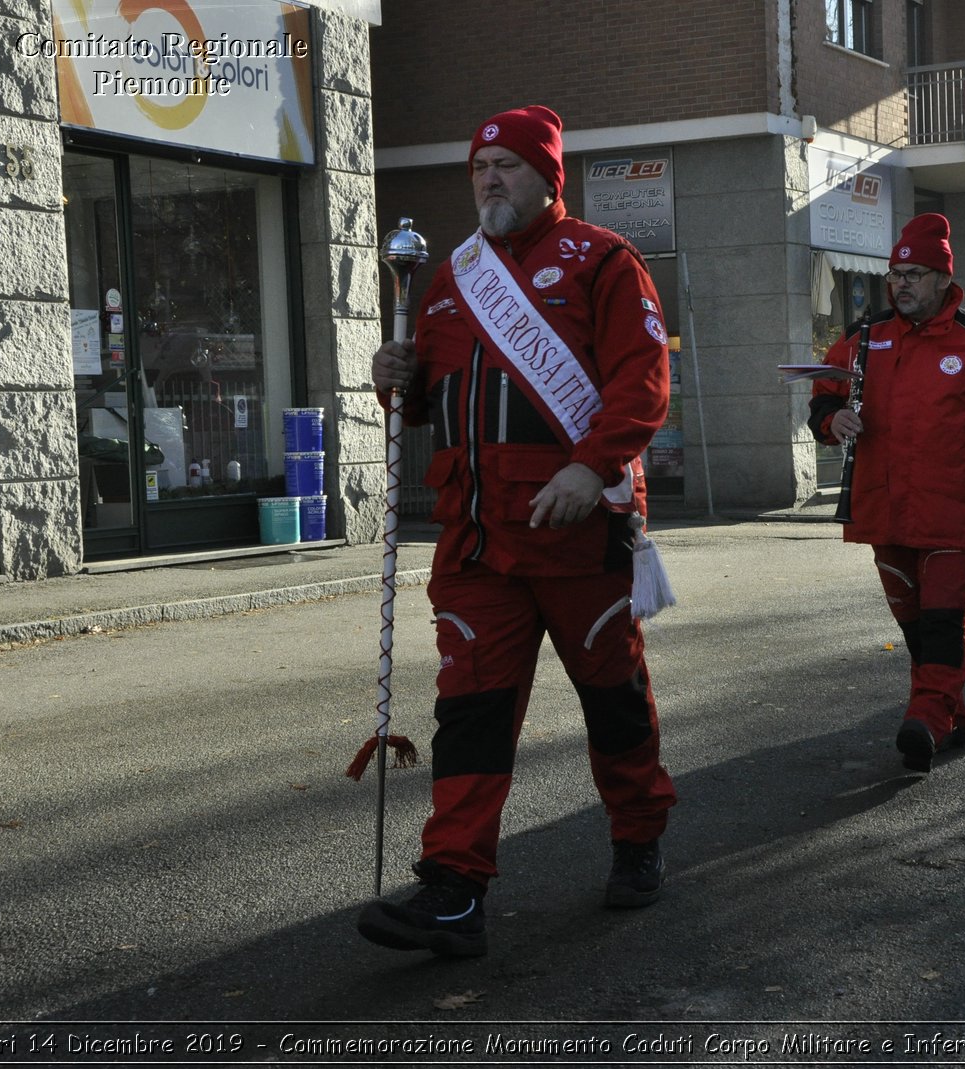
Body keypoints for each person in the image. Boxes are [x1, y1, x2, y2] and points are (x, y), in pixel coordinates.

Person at [358, 105, 676, 957]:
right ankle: (455, 889)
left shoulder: (605, 261)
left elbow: (642, 384)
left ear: (548, 176)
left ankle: (639, 833)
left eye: (506, 164)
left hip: (576, 533)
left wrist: (591, 463)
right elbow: (423, 399)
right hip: (474, 540)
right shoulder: (457, 275)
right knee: (471, 711)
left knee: (612, 698)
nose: (489, 178)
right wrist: (394, 379)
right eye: (480, 166)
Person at [808, 213, 965, 773]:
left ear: (944, 278)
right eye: (896, 274)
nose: (901, 284)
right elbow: (822, 395)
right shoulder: (864, 338)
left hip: (951, 514)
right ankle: (953, 714)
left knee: (942, 618)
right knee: (916, 625)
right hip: (882, 510)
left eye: (914, 274)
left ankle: (924, 719)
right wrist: (833, 419)